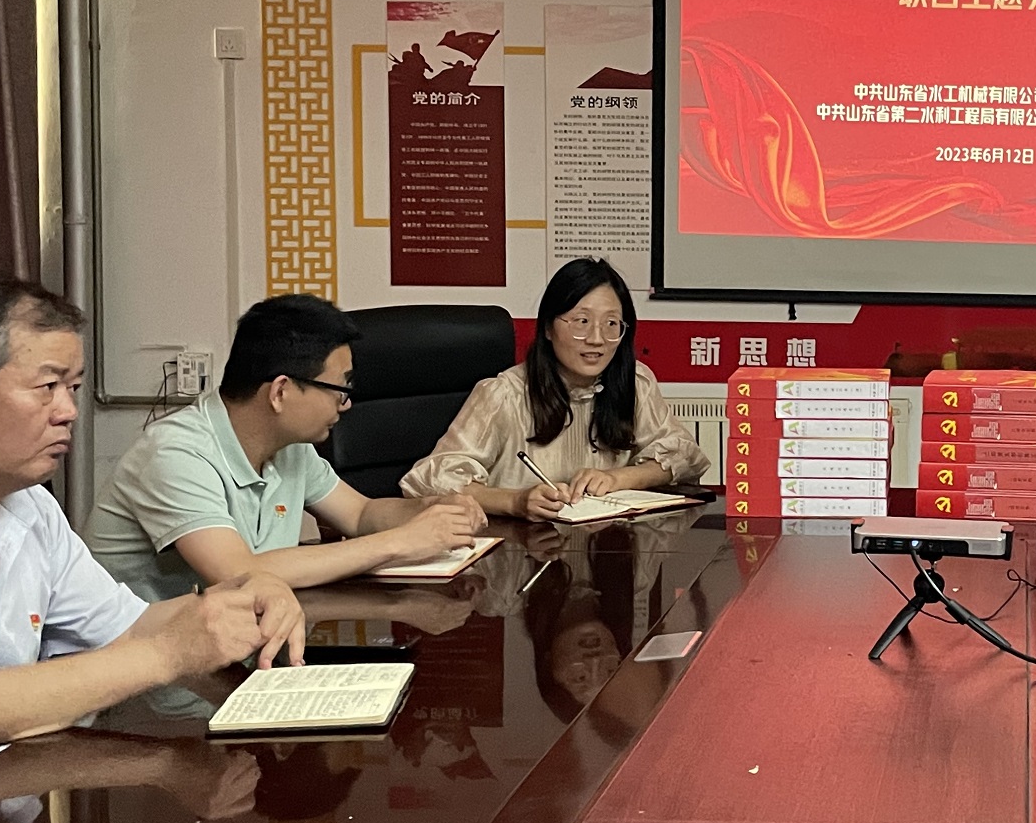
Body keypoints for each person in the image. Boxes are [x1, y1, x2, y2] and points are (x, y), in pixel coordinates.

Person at [0, 276, 302, 748]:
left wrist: (244, 597)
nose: (68, 411)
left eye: (73, 387)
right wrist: (165, 656)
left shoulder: (32, 507)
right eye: (47, 386)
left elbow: (126, 624)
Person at [84, 294, 487, 602]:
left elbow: (360, 514)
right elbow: (238, 575)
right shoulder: (175, 454)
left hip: (236, 644)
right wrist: (402, 542)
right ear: (280, 392)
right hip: (144, 670)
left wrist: (431, 509)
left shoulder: (290, 448)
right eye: (339, 390)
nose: (346, 405)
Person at [401, 258, 707, 520]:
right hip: (518, 553)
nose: (597, 339)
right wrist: (515, 501)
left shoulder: (635, 383)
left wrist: (619, 478)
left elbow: (684, 456)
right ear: (548, 328)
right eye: (581, 321)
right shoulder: (504, 395)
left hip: (605, 549)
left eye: (612, 324)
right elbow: (431, 481)